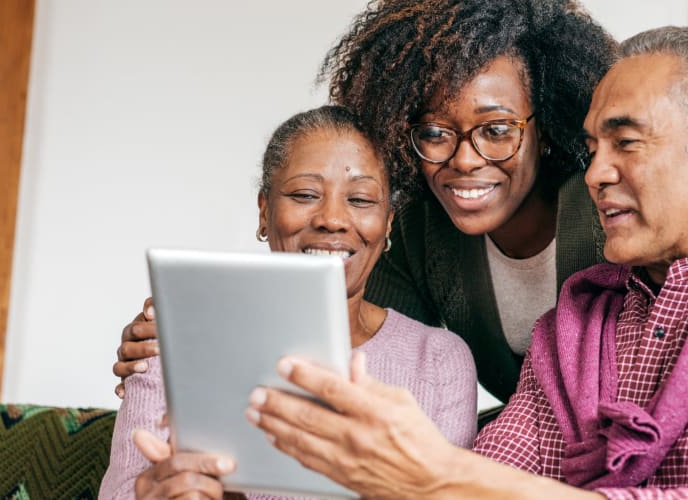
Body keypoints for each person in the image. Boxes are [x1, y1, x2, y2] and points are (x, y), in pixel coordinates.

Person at [242, 26, 688, 498]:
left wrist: (438, 474)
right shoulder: (574, 327)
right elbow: (495, 473)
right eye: (593, 147)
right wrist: (195, 321)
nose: (596, 172)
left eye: (625, 142)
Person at [114, 0, 618, 407]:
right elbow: (372, 355)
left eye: (497, 129)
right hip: (520, 453)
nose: (465, 159)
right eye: (435, 132)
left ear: (546, 126)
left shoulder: (605, 209)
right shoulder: (417, 230)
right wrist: (185, 331)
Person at [99, 105, 478, 499]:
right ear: (265, 212)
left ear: (387, 224)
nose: (332, 219)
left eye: (362, 200)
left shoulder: (439, 360)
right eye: (304, 194)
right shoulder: (173, 341)